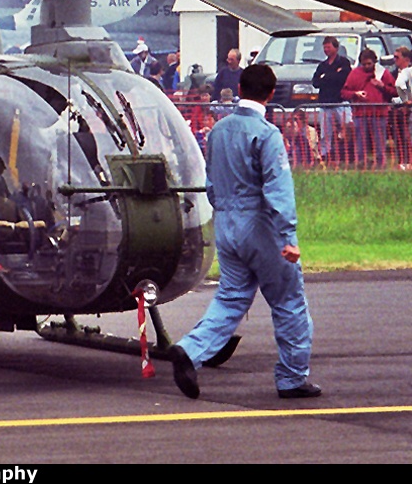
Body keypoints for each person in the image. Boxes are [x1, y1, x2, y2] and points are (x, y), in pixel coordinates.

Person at [169, 64, 319, 401]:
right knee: (288, 300)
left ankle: (190, 351)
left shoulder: (219, 131)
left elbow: (211, 184)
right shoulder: (266, 134)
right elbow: (278, 189)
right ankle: (293, 377)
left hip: (226, 223)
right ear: (270, 93)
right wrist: (288, 237)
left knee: (232, 296)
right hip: (258, 226)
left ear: (240, 87)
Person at [341, 48, 396, 168]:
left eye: (369, 64)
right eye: (364, 64)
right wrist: (355, 94)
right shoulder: (355, 73)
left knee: (379, 141)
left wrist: (382, 86)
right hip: (360, 113)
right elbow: (344, 92)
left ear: (374, 62)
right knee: (360, 141)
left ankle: (380, 164)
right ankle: (361, 164)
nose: (366, 66)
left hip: (379, 113)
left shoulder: (383, 73)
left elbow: (395, 91)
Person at [311, 36, 352, 162]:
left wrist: (326, 77)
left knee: (347, 129)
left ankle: (349, 155)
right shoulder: (322, 65)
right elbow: (315, 82)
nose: (326, 50)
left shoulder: (344, 62)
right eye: (324, 47)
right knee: (325, 133)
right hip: (325, 104)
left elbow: (343, 78)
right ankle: (324, 156)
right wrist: (332, 75)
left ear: (336, 47)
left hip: (340, 103)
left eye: (328, 47)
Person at [390, 46, 412, 169]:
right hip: (397, 110)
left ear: (407, 59)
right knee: (398, 137)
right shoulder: (393, 74)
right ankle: (402, 162)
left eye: (397, 57)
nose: (395, 60)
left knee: (409, 137)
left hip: (409, 110)